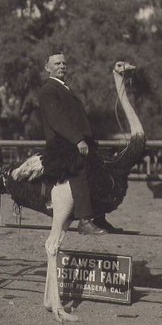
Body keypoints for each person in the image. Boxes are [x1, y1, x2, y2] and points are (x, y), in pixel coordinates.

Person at [38, 52, 107, 236]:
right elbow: (57, 120)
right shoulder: (48, 90)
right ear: (47, 68)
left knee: (99, 166)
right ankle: (84, 220)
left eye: (64, 63)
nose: (62, 66)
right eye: (57, 63)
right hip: (62, 143)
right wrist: (77, 139)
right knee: (78, 167)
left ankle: (99, 215)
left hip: (71, 140)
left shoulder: (64, 89)